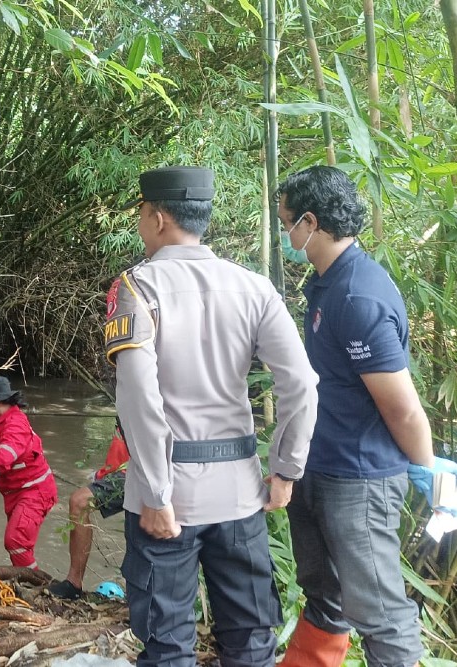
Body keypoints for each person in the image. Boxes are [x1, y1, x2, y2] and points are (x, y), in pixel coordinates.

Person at [105, 166, 318, 666]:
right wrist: (286, 470)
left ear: (158, 217)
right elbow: (303, 384)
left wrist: (156, 492)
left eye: (140, 212)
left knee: (168, 645)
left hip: (167, 499)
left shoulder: (137, 287)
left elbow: (138, 394)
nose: (140, 222)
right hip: (241, 495)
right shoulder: (255, 287)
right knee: (250, 641)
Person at [274, 166, 453, 667]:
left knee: (378, 609)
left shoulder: (358, 295)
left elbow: (400, 404)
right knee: (325, 592)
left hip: (360, 478)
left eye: (287, 221)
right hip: (321, 464)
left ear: (310, 223)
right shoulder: (328, 283)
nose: (285, 233)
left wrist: (425, 465)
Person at [0, 376, 57, 570]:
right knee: (20, 546)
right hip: (17, 493)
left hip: (34, 493)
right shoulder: (1, 425)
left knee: (15, 541)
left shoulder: (15, 424)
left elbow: (4, 458)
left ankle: (37, 584)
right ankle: (26, 581)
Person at [47, 426, 130, 600]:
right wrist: (104, 474)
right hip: (125, 470)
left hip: (141, 471)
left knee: (80, 501)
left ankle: (74, 582)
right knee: (79, 502)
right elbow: (122, 446)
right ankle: (74, 583)